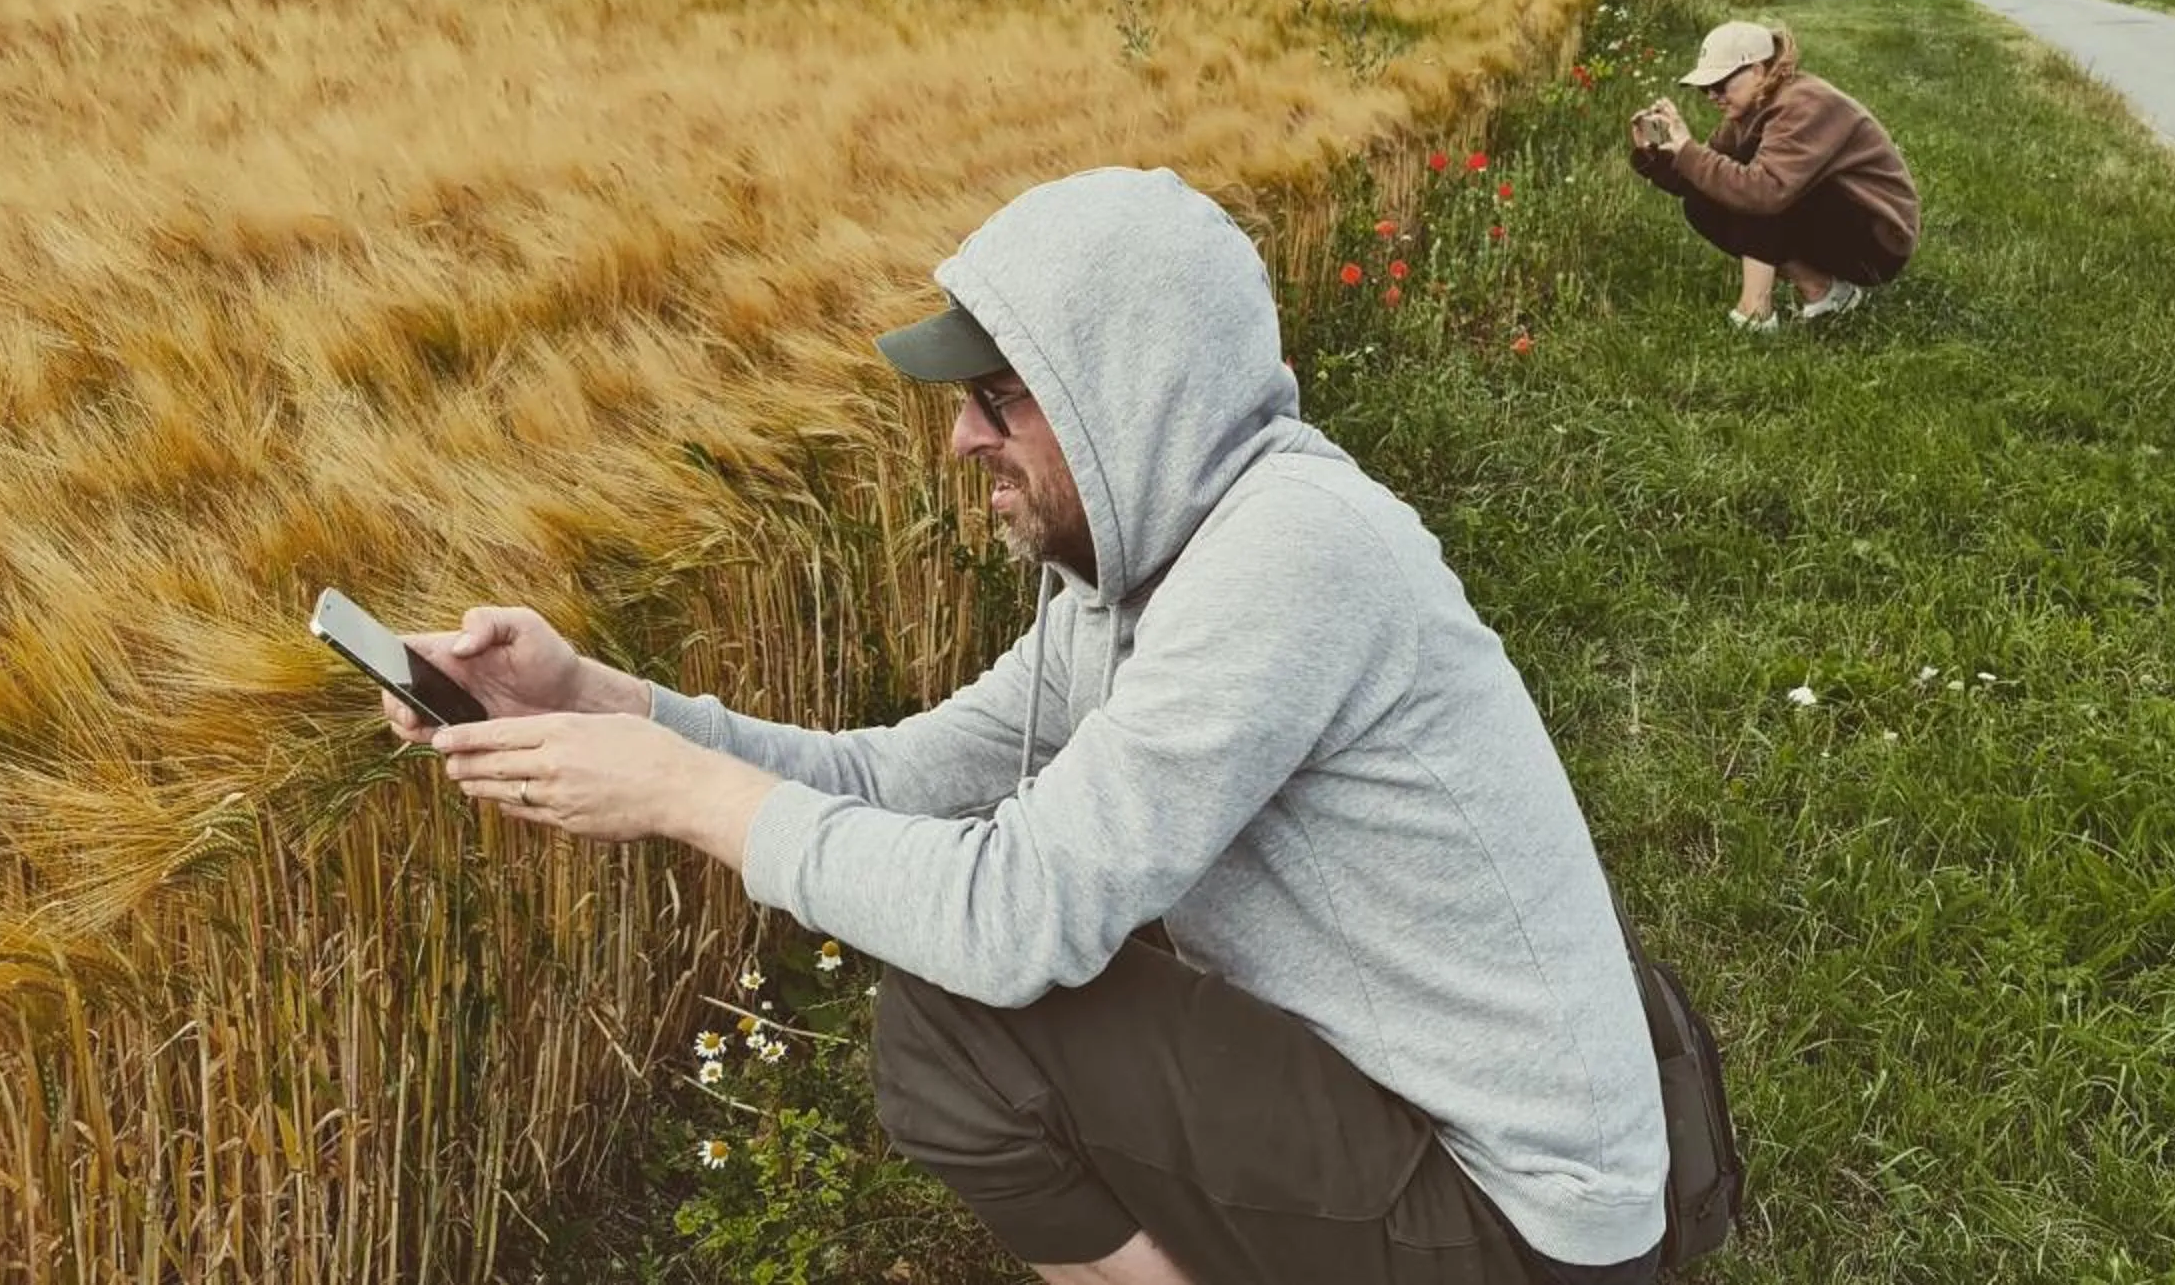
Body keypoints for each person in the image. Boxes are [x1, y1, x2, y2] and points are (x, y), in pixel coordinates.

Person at [386, 168, 1668, 1285]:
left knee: (959, 1030)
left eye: (1000, 396)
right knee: (987, 991)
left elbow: (1015, 923)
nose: (959, 437)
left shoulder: (1292, 559)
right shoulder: (1145, 573)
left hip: (1527, 1224)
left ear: (1131, 397)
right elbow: (895, 777)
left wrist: (683, 793)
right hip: (1435, 1116)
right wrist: (602, 700)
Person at [1628, 19, 1921, 330]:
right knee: (1704, 199)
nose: (1712, 96)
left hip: (1880, 239)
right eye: (1704, 89)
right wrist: (1660, 152)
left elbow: (1763, 192)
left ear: (1756, 71)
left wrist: (1688, 148)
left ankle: (1755, 314)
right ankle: (1823, 291)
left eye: (1719, 84)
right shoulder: (1751, 107)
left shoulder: (1803, 103)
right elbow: (1703, 178)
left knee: (1759, 190)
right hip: (1841, 218)